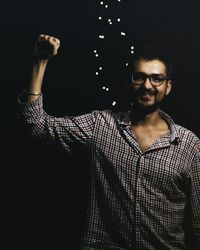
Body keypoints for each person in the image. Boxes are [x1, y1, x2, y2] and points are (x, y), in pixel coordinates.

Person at [17, 34, 200, 249]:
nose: (147, 85)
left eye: (156, 78)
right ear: (128, 83)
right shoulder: (100, 125)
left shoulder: (189, 145)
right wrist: (40, 62)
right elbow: (36, 125)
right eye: (139, 77)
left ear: (168, 87)